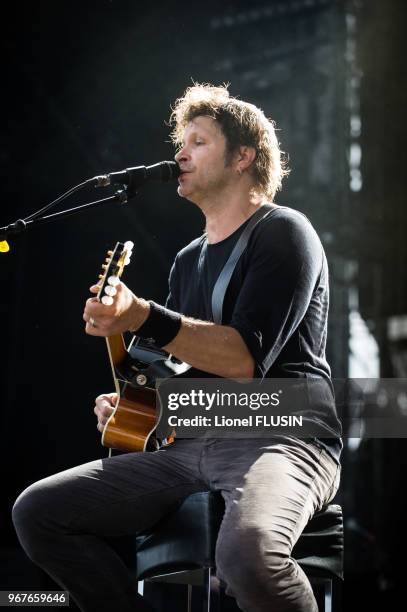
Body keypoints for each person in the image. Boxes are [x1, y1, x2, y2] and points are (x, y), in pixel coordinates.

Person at [12, 83, 342, 612]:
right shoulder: (188, 260)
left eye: (199, 141)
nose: (179, 154)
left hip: (284, 436)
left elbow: (241, 361)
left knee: (248, 554)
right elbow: (185, 369)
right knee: (38, 512)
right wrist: (140, 406)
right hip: (192, 443)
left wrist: (142, 314)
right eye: (180, 141)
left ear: (243, 156)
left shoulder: (285, 232)